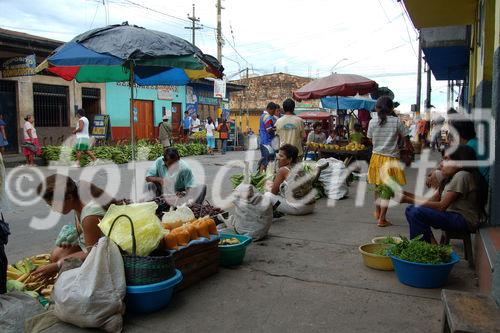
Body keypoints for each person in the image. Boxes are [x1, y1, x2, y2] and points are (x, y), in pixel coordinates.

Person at [33, 174, 123, 279]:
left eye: (53, 204)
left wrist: (58, 265)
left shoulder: (90, 216)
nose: (53, 209)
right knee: (56, 254)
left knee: (60, 262)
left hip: (107, 254)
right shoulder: (77, 194)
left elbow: (93, 255)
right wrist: (72, 238)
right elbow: (82, 231)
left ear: (69, 198)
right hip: (95, 245)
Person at [401, 145, 488, 244]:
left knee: (416, 212)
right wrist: (405, 194)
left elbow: (441, 206)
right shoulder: (450, 178)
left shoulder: (462, 175)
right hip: (452, 216)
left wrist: (407, 199)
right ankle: (431, 247)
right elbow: (431, 201)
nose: (441, 164)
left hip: (464, 220)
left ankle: (424, 248)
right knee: (411, 209)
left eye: (446, 159)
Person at [367, 96, 408, 227]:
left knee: (378, 187)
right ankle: (382, 219)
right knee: (387, 189)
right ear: (391, 109)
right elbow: (406, 138)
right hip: (390, 159)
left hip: (376, 158)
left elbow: (370, 139)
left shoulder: (372, 122)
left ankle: (377, 212)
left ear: (377, 109)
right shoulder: (396, 122)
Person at [264, 144, 315, 216]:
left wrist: (268, 187)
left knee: (268, 195)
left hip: (300, 208)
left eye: (281, 156)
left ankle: (271, 212)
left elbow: (274, 192)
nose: (278, 158)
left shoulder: (283, 170)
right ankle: (275, 211)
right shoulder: (299, 168)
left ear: (289, 159)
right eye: (278, 155)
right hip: (311, 207)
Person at [258, 102, 278, 172]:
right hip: (267, 143)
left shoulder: (262, 116)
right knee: (267, 162)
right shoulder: (267, 117)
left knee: (264, 160)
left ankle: (261, 175)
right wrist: (277, 128)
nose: (274, 112)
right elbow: (269, 130)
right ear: (269, 109)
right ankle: (262, 175)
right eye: (273, 111)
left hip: (263, 141)